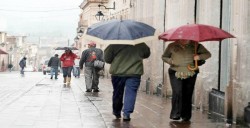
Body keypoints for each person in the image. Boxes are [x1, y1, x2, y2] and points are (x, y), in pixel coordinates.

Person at [162, 40, 211, 122]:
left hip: (191, 72)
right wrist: (171, 61)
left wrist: (198, 57)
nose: (184, 38)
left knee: (187, 93)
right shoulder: (172, 45)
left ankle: (186, 115)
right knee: (177, 91)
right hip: (175, 71)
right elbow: (164, 57)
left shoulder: (196, 45)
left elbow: (208, 54)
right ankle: (175, 114)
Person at [104, 43, 150, 121]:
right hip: (135, 72)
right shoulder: (141, 43)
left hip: (118, 72)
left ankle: (116, 111)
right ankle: (127, 114)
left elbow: (107, 59)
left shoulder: (113, 44)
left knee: (117, 92)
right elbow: (146, 54)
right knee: (131, 92)